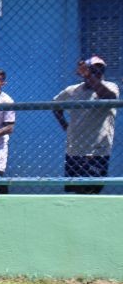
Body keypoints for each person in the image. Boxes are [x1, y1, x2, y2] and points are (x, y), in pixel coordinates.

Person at [52, 56, 119, 194]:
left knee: (92, 189)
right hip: (75, 149)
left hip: (98, 150)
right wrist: (65, 125)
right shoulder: (72, 90)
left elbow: (109, 98)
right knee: (75, 190)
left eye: (101, 69)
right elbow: (55, 105)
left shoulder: (110, 86)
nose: (98, 72)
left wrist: (89, 75)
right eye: (94, 69)